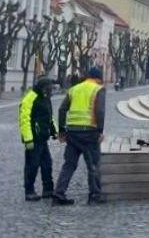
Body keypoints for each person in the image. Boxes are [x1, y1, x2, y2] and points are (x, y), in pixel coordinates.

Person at [52, 66, 106, 206]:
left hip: (72, 133)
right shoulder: (98, 89)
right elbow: (99, 110)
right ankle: (94, 195)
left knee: (69, 165)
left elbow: (62, 109)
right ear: (98, 78)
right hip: (89, 132)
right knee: (93, 165)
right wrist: (100, 130)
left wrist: (62, 130)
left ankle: (58, 194)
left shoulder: (74, 89)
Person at [19, 77, 57, 201]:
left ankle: (48, 189)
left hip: (43, 137)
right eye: (48, 89)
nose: (50, 92)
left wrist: (54, 131)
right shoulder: (30, 98)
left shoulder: (46, 98)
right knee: (32, 165)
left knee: (47, 164)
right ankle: (29, 190)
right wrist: (28, 139)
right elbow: (24, 119)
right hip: (34, 138)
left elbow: (50, 116)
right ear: (42, 88)